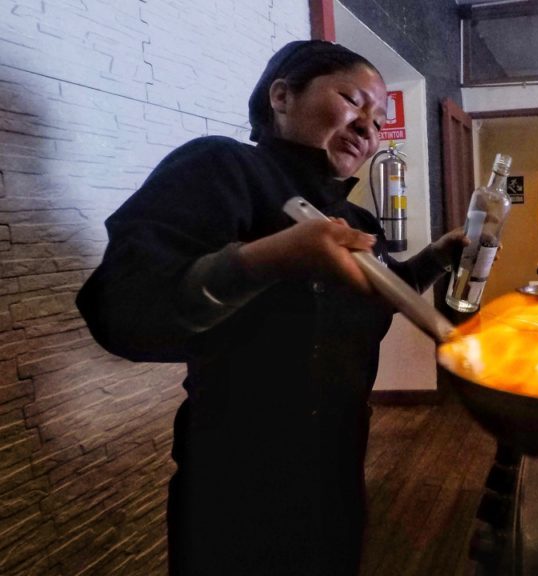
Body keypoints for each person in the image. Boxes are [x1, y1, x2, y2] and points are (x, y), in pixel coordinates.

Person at [76, 40, 464, 576]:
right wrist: (269, 261)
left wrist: (439, 257)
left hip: (338, 469)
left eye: (377, 120)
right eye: (352, 101)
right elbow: (124, 308)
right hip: (234, 479)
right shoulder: (222, 167)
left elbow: (383, 296)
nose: (366, 127)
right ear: (282, 96)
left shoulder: (357, 221)